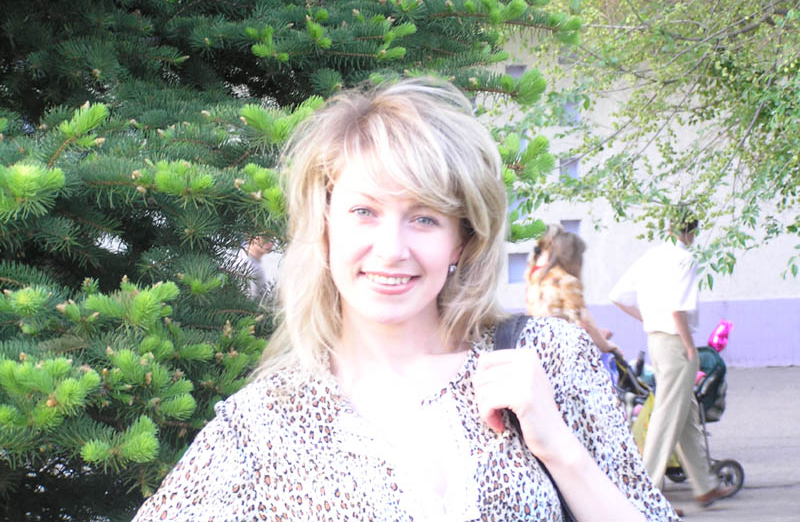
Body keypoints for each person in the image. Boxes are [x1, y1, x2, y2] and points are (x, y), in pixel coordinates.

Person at [133, 77, 679, 521]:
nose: (392, 249)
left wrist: (560, 449)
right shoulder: (266, 422)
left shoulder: (548, 361)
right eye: (363, 212)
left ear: (462, 240)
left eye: (424, 218)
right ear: (324, 227)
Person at [609, 212, 736, 508]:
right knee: (667, 416)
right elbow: (678, 309)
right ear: (691, 232)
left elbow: (618, 295)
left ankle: (704, 486)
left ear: (669, 227)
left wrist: (649, 319)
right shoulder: (684, 259)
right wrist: (690, 347)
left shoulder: (652, 255)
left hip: (656, 339)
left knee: (685, 413)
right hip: (676, 342)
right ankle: (647, 493)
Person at [525, 227, 619, 356]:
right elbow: (583, 321)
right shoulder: (567, 281)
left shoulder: (537, 277)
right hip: (560, 349)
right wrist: (606, 346)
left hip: (537, 344)